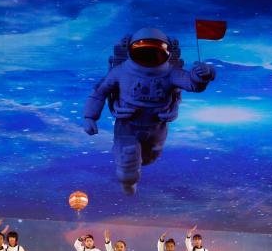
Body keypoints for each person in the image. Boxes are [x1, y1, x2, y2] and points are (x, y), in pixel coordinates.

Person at [83, 27, 216, 194]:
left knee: (149, 158)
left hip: (156, 127)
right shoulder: (121, 71)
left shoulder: (170, 72)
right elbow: (99, 92)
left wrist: (202, 75)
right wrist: (90, 117)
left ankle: (132, 174)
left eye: (155, 50)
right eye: (141, 49)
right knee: (128, 157)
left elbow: (192, 85)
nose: (148, 54)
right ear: (130, 50)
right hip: (128, 125)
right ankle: (128, 183)